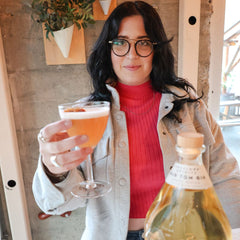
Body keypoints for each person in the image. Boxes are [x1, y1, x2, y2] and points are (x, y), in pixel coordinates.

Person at [32, 1, 240, 240]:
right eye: (120, 42)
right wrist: (54, 170)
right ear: (108, 50)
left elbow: (225, 176)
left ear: (156, 50)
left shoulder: (190, 107)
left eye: (143, 43)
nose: (131, 54)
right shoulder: (85, 114)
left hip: (179, 233)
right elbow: (57, 205)